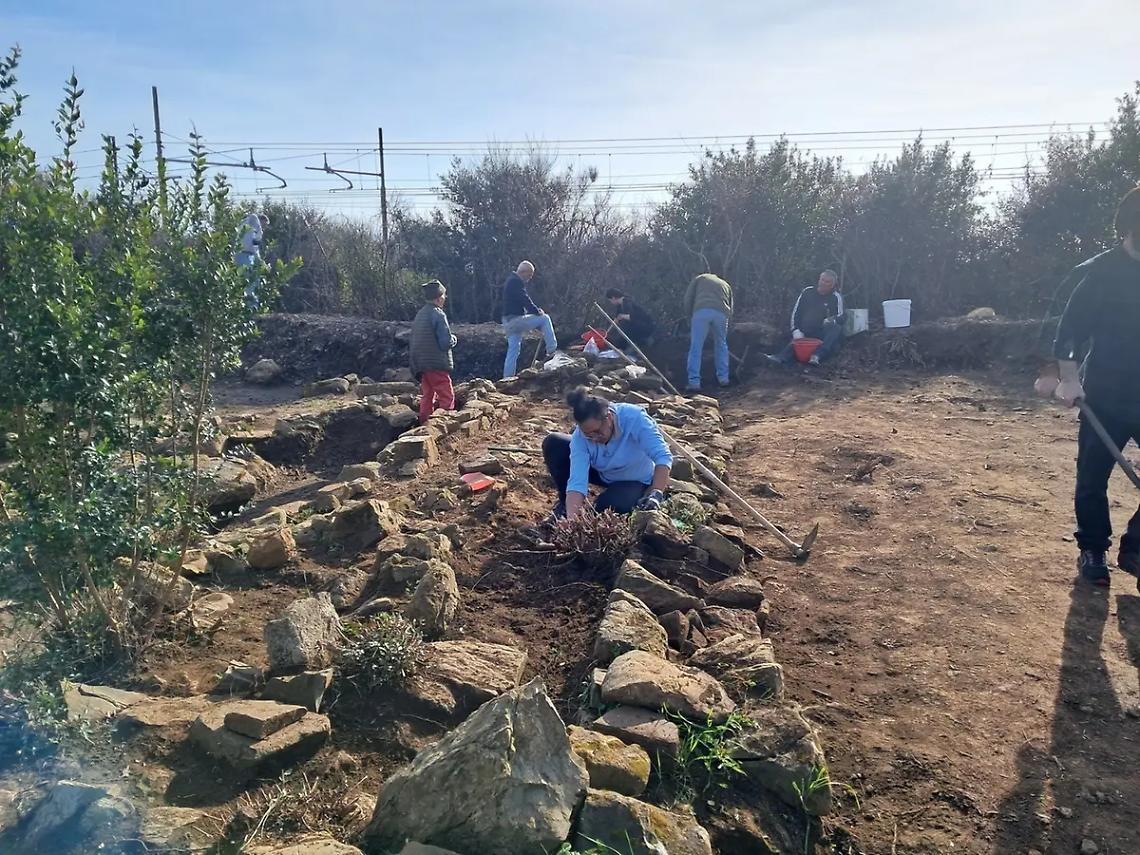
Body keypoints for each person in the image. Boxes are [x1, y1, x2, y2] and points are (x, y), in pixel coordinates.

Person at [1039, 186, 1140, 587]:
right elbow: (1068, 332)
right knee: (1092, 477)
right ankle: (1093, 549)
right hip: (1106, 395)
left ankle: (1136, 550)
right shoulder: (1099, 273)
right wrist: (1065, 379)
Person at [542, 387, 673, 519]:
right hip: (602, 473)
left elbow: (662, 456)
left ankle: (626, 497)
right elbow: (577, 480)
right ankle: (564, 506)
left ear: (609, 417)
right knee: (554, 443)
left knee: (608, 509)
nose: (594, 438)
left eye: (597, 431)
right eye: (588, 435)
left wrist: (656, 493)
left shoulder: (634, 418)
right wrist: (571, 518)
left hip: (634, 479)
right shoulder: (580, 438)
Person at [767, 270, 845, 366]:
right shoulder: (807, 292)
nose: (823, 283)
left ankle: (817, 356)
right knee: (792, 343)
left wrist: (832, 319)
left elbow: (842, 317)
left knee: (836, 328)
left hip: (821, 333)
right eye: (822, 280)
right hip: (804, 331)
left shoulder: (836, 297)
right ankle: (779, 358)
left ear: (833, 285)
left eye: (827, 282)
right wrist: (795, 330)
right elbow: (796, 312)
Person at [501, 260, 562, 378]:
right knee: (545, 318)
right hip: (515, 320)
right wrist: (537, 311)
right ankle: (551, 350)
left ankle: (507, 377)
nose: (529, 279)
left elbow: (519, 301)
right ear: (523, 272)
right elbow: (524, 299)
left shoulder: (510, 280)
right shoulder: (515, 282)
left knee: (513, 350)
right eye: (529, 275)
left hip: (508, 321)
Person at [409, 280, 458, 424]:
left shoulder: (420, 314)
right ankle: (446, 423)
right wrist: (454, 339)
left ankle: (424, 423)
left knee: (428, 395)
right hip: (436, 363)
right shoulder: (438, 314)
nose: (445, 298)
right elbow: (445, 342)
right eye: (444, 296)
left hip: (421, 364)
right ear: (438, 297)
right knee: (446, 395)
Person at [684, 273, 734, 392]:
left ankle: (694, 382)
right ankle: (724, 379)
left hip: (701, 311)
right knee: (721, 344)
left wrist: (689, 317)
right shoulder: (726, 284)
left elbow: (688, 298)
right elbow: (731, 307)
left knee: (696, 346)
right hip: (722, 313)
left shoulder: (700, 278)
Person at [235, 211, 270, 309]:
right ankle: (251, 308)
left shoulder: (246, 226)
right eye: (265, 224)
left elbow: (255, 249)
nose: (264, 227)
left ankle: (244, 306)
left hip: (241, 255)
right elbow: (254, 248)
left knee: (245, 282)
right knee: (252, 281)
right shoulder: (254, 224)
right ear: (261, 221)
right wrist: (262, 264)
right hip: (245, 256)